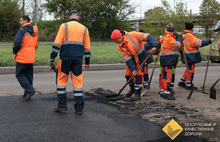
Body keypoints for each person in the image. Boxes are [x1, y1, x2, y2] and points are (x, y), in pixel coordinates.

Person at [50, 10, 91, 115]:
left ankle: (62, 105)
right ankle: (79, 108)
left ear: (69, 17)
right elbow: (87, 47)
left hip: (64, 59)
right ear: (78, 17)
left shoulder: (64, 26)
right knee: (77, 84)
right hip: (78, 60)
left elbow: (57, 42)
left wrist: (52, 57)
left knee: (61, 82)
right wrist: (87, 61)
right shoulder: (84, 29)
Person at [111, 29, 158, 101]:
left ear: (120, 37)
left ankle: (137, 93)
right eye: (114, 40)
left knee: (139, 75)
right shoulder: (120, 47)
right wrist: (133, 69)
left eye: (116, 40)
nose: (115, 42)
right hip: (132, 60)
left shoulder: (133, 35)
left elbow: (148, 36)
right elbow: (127, 59)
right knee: (128, 74)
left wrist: (153, 46)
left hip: (141, 58)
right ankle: (132, 88)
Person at [178, 22, 215, 90]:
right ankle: (188, 84)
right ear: (191, 28)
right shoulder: (190, 36)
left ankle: (182, 81)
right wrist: (210, 40)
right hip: (190, 56)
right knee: (190, 70)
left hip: (186, 55)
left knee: (188, 68)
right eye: (193, 27)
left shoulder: (183, 35)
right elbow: (200, 43)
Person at [13, 15, 38, 100]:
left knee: (19, 74)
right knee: (28, 75)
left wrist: (14, 51)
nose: (20, 22)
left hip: (22, 56)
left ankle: (30, 90)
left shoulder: (22, 30)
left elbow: (17, 43)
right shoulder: (34, 32)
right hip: (31, 56)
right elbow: (36, 45)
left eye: (21, 20)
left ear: (25, 20)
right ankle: (27, 93)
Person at [159, 23, 182, 100]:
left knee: (163, 76)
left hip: (165, 59)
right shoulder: (169, 38)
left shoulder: (165, 37)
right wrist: (179, 38)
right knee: (167, 77)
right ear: (174, 30)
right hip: (168, 60)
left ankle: (163, 91)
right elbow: (178, 45)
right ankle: (166, 93)